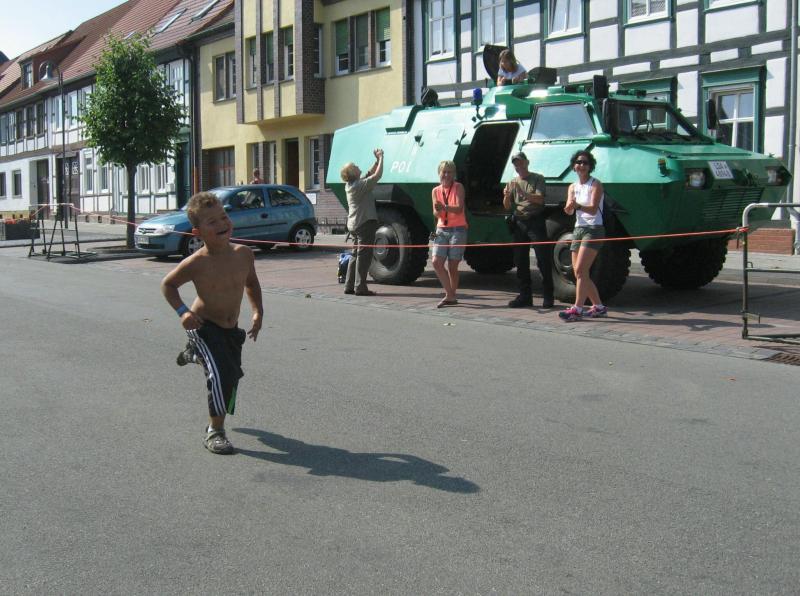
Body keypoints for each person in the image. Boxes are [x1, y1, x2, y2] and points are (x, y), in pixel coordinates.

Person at [161, 192, 263, 454]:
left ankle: (194, 354)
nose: (222, 224)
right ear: (198, 232)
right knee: (220, 376)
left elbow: (251, 283)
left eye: (224, 217)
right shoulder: (196, 263)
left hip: (231, 329)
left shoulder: (244, 254)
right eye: (212, 222)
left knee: (232, 375)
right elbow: (168, 285)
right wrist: (183, 312)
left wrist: (257, 312)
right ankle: (215, 431)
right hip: (203, 326)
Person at [559, 150, 608, 321]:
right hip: (578, 229)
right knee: (579, 272)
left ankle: (577, 308)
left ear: (590, 166)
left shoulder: (595, 184)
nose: (581, 165)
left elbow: (593, 209)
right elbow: (568, 210)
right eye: (578, 162)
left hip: (593, 229)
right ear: (574, 166)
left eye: (585, 163)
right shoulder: (572, 187)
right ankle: (599, 307)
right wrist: (569, 207)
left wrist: (577, 206)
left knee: (580, 270)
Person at [503, 151, 554, 308]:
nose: (518, 165)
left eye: (520, 162)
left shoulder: (537, 178)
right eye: (515, 163)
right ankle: (525, 296)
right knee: (520, 260)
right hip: (519, 222)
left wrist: (523, 192)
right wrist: (506, 196)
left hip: (535, 221)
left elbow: (540, 199)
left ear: (527, 162)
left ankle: (548, 296)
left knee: (543, 259)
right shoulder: (512, 182)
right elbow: (507, 206)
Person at [341, 148, 384, 296]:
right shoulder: (359, 186)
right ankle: (360, 287)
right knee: (364, 256)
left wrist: (376, 162)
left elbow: (369, 174)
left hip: (354, 224)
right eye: (356, 166)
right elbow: (377, 175)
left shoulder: (351, 185)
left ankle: (349, 285)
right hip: (364, 223)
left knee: (355, 255)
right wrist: (381, 158)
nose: (359, 167)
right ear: (353, 173)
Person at [431, 160, 467, 308]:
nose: (446, 175)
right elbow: (435, 213)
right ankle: (450, 295)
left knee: (453, 265)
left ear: (454, 174)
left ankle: (451, 295)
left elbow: (458, 208)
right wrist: (439, 210)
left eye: (449, 172)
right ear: (439, 173)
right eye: (444, 172)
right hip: (441, 229)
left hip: (458, 229)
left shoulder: (458, 187)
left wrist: (444, 207)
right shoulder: (435, 190)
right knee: (436, 262)